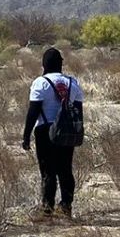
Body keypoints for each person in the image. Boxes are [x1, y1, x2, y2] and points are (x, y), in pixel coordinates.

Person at [22, 46, 85, 219]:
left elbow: (33, 111)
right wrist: (77, 131)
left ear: (44, 64)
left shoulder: (40, 83)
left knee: (48, 171)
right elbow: (78, 109)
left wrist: (26, 136)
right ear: (61, 64)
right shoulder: (72, 82)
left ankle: (47, 209)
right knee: (65, 169)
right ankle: (66, 207)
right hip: (66, 130)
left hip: (45, 131)